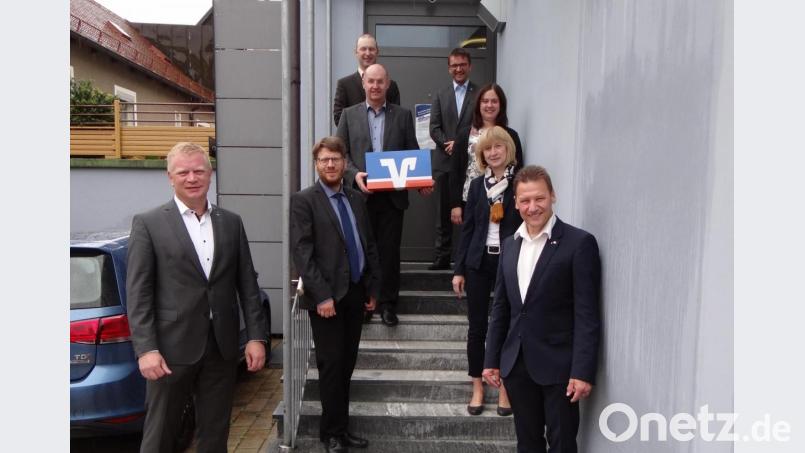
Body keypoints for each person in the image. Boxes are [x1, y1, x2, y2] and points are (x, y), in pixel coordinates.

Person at [126, 142, 267, 453]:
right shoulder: (148, 223)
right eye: (183, 172)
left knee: (214, 435)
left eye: (199, 171)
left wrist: (257, 337)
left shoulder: (231, 222)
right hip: (169, 351)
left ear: (210, 174)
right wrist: (145, 349)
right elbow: (138, 293)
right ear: (170, 177)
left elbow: (247, 284)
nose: (192, 178)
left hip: (221, 348)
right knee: (160, 434)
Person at [482, 165, 601, 453]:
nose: (532, 207)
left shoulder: (579, 243)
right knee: (528, 444)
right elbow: (501, 308)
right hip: (517, 366)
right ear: (515, 202)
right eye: (525, 201)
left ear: (553, 196)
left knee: (562, 445)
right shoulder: (510, 245)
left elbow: (587, 314)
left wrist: (582, 371)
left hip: (561, 369)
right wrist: (491, 360)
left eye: (539, 199)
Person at [290, 136, 381, 453]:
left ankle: (341, 429)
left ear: (345, 162)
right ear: (316, 164)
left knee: (347, 365)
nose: (330, 164)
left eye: (336, 159)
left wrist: (372, 287)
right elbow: (303, 254)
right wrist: (322, 296)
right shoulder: (304, 201)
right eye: (324, 159)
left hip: (355, 293)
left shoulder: (356, 199)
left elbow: (367, 244)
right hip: (327, 299)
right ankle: (330, 435)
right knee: (330, 366)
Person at [336, 63, 431, 327]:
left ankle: (388, 304)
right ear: (363, 83)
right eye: (371, 81)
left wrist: (421, 181)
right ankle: (366, 302)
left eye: (380, 82)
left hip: (392, 198)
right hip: (360, 196)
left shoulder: (402, 115)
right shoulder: (348, 115)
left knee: (389, 253)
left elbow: (411, 152)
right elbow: (340, 153)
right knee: (362, 250)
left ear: (388, 84)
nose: (375, 86)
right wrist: (354, 175)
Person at [451, 126, 519, 417]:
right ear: (482, 155)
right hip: (479, 262)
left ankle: (505, 386)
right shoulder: (477, 187)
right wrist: (459, 269)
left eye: (498, 147)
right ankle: (477, 385)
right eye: (487, 149)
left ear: (507, 149)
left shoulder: (519, 184)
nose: (493, 153)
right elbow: (468, 230)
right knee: (477, 327)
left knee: (508, 324)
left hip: (510, 263)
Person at [427, 47, 478, 270]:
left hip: (470, 163)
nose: (458, 69)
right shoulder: (440, 94)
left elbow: (479, 124)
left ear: (469, 67)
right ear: (449, 68)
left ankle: (467, 257)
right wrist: (447, 144)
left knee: (469, 210)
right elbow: (433, 127)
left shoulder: (479, 94)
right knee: (442, 212)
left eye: (462, 65)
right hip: (444, 162)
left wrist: (460, 143)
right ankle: (442, 257)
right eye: (454, 65)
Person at [449, 83, 524, 227]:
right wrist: (455, 204)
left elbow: (518, 170)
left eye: (494, 101)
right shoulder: (465, 134)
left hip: (503, 201)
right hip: (470, 200)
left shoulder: (511, 135)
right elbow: (456, 171)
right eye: (485, 101)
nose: (489, 105)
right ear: (478, 105)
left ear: (501, 105)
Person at [333, 33, 401, 127]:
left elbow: (397, 117)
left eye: (371, 49)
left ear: (377, 52)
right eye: (363, 49)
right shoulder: (344, 84)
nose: (368, 53)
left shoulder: (391, 85)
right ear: (356, 52)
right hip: (355, 141)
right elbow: (338, 119)